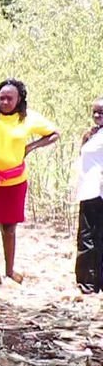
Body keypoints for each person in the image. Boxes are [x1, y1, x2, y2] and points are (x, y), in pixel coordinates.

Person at [0, 79, 60, 284]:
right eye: (1, 97)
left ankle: (9, 270)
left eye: (9, 98)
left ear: (19, 99)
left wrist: (31, 147)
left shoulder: (28, 118)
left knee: (9, 228)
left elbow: (54, 133)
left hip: (14, 182)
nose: (4, 102)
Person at [76, 98, 103, 294]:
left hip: (98, 190)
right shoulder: (93, 135)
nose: (96, 116)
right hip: (89, 190)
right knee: (89, 236)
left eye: (101, 112)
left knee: (93, 236)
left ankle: (92, 282)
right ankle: (88, 281)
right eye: (94, 112)